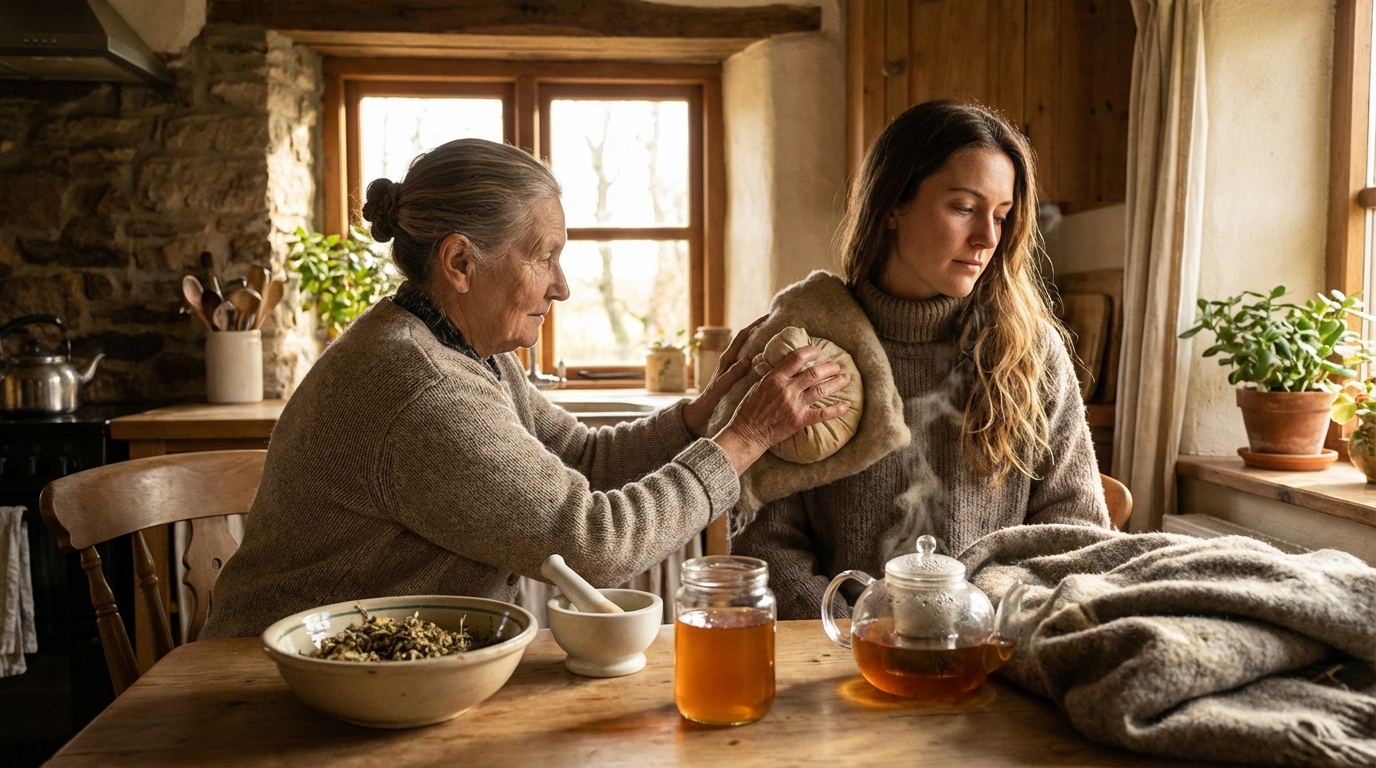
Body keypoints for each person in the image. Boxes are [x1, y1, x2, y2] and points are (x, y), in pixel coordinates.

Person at [203, 138, 851, 638]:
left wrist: (700, 417)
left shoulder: (462, 347)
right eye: (543, 256)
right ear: (460, 262)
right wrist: (743, 440)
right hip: (274, 688)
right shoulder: (421, 392)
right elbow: (593, 542)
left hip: (375, 674)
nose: (563, 286)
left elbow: (579, 460)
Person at [732, 101, 1110, 621]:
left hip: (992, 654)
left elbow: (1076, 532)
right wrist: (859, 634)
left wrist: (979, 627)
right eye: (962, 207)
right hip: (843, 660)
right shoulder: (809, 351)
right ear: (893, 204)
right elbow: (768, 547)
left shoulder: (1030, 352)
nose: (987, 239)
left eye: (1001, 217)